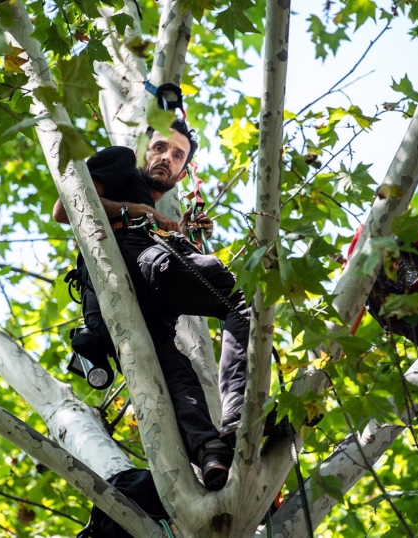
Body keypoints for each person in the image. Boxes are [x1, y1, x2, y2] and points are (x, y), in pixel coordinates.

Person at [53, 120, 249, 491]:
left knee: (174, 370)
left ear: (181, 173)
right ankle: (239, 414)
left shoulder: (151, 206)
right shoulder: (122, 159)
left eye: (178, 156)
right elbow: (68, 208)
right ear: (143, 148)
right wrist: (141, 212)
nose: (167, 159)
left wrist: (179, 232)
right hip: (130, 264)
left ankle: (210, 452)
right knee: (243, 297)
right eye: (160, 147)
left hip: (131, 296)